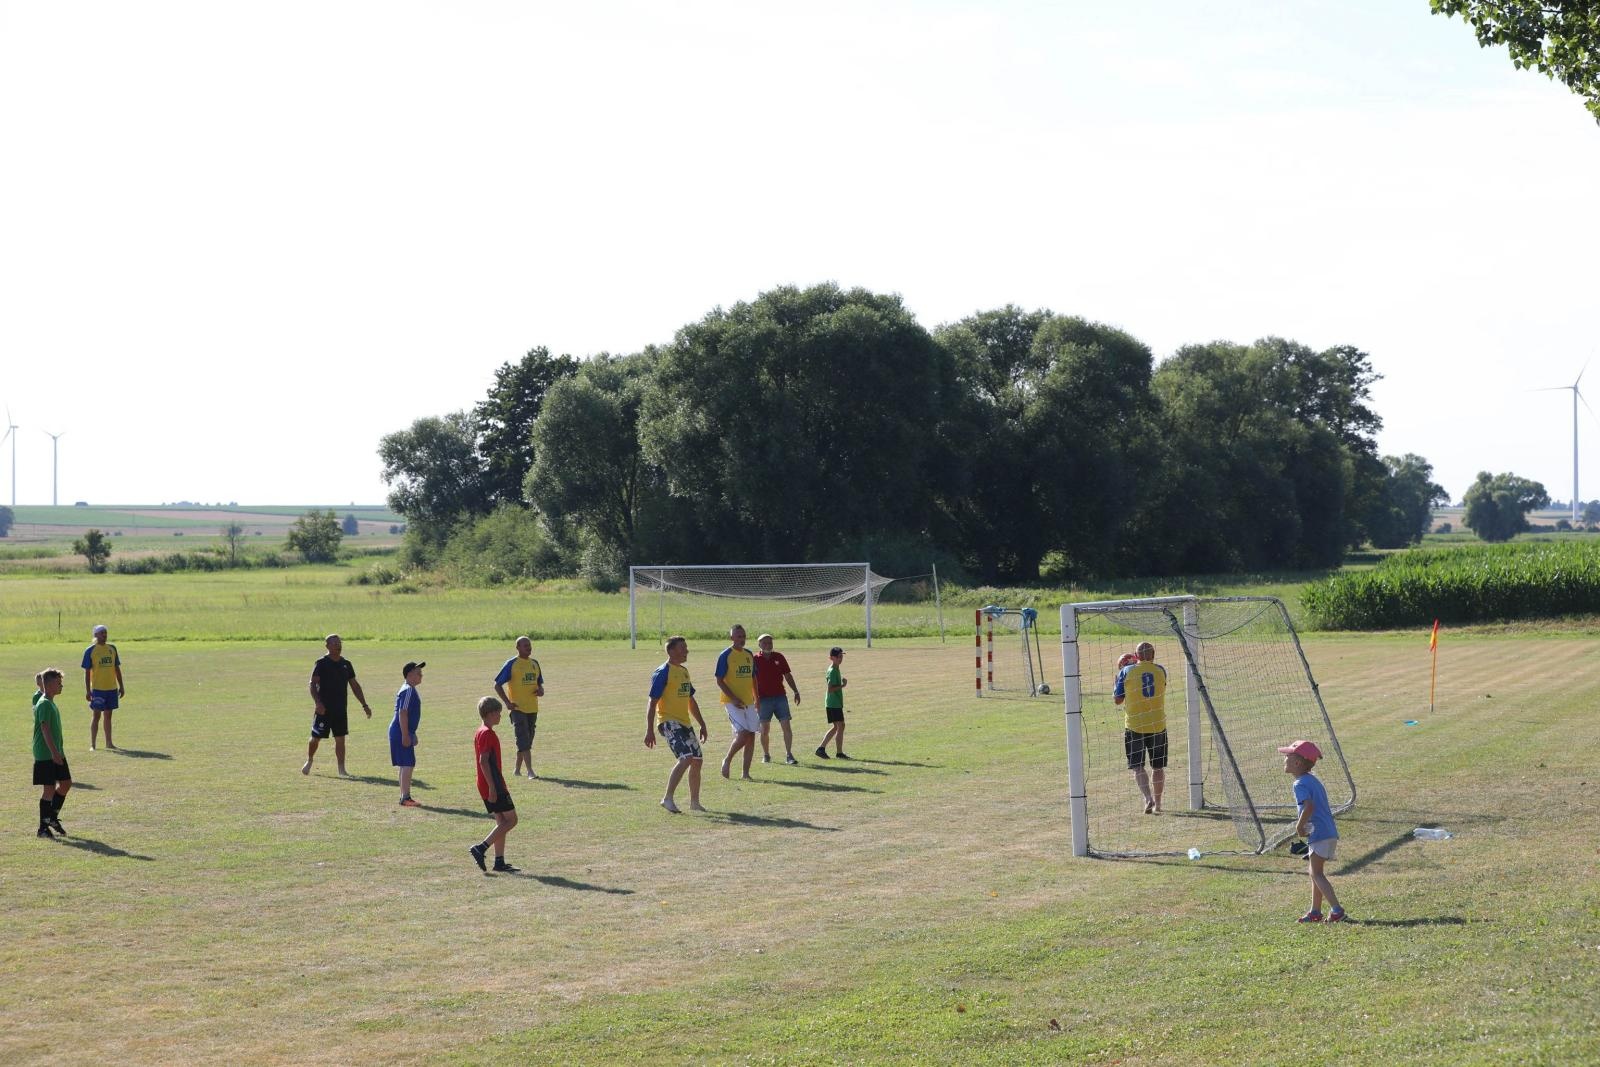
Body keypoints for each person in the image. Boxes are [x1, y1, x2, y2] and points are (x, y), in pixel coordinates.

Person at [1279, 739, 1345, 923]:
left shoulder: (1299, 784)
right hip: (1328, 832)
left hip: (1319, 834)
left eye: (1287, 756)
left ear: (1297, 763)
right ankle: (1315, 912)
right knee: (1314, 872)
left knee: (1316, 873)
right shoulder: (1312, 780)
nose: (1284, 759)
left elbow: (1309, 807)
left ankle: (1337, 910)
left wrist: (1299, 827)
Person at [645, 635, 708, 814]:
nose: (686, 651)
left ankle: (694, 802)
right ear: (671, 651)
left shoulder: (684, 671)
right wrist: (649, 730)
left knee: (697, 760)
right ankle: (667, 798)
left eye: (686, 648)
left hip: (684, 723)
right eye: (683, 648)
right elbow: (652, 702)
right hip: (668, 722)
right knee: (686, 757)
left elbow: (690, 700)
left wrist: (702, 723)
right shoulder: (662, 672)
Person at [302, 634, 373, 777]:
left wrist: (364, 705)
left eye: (339, 643)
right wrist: (318, 703)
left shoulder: (346, 664)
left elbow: (354, 686)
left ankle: (342, 769)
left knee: (340, 739)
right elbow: (313, 684)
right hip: (324, 709)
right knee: (316, 738)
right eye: (334, 643)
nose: (337, 645)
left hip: (340, 709)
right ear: (327, 646)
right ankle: (309, 760)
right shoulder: (321, 663)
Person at [1114, 641, 1167, 814]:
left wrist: (1120, 674)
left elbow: (1118, 700)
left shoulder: (1126, 671)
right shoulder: (1161, 671)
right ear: (1153, 655)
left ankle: (1147, 798)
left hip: (1135, 725)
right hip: (1157, 724)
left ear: (1136, 656)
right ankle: (1158, 804)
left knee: (1138, 766)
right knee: (1157, 767)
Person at [470, 696, 520, 873]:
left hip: (488, 783)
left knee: (501, 822)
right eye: (498, 713)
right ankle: (481, 848)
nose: (500, 716)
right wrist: (492, 786)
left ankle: (499, 862)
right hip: (493, 784)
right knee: (512, 819)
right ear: (490, 714)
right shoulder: (486, 733)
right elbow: (484, 761)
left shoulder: (481, 731)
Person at [493, 636, 545, 780]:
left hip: (532, 708)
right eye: (525, 645)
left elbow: (540, 684)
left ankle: (517, 770)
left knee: (527, 741)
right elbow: (497, 684)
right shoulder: (511, 664)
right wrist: (507, 703)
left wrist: (540, 691)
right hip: (517, 709)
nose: (528, 647)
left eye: (529, 645)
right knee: (523, 739)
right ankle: (530, 772)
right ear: (518, 648)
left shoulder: (534, 663)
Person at [714, 624, 759, 780]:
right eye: (738, 636)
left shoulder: (749, 654)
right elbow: (719, 681)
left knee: (752, 735)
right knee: (743, 734)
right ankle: (727, 760)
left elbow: (754, 679)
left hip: (749, 701)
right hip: (732, 702)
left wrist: (757, 699)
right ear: (732, 637)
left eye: (743, 636)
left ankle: (745, 773)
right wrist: (733, 698)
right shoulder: (725, 655)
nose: (742, 639)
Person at [33, 668, 72, 838]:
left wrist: (58, 752)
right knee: (48, 790)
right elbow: (45, 729)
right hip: (46, 754)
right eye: (58, 683)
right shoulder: (44, 704)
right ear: (48, 685)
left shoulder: (50, 702)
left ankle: (52, 818)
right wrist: (54, 753)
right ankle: (43, 828)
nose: (61, 685)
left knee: (66, 783)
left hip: (56, 752)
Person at [754, 633, 801, 765]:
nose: (768, 645)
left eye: (770, 642)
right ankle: (766, 754)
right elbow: (749, 680)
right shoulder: (754, 659)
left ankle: (789, 755)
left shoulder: (779, 657)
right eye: (765, 643)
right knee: (764, 730)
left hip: (780, 697)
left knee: (786, 726)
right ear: (759, 645)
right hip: (762, 699)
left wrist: (796, 691)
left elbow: (788, 675)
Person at [81, 623, 125, 750]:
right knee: (96, 716)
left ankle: (109, 743)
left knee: (108, 716)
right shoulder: (90, 651)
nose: (104, 635)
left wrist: (121, 686)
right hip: (98, 689)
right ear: (96, 635)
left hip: (111, 688)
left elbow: (117, 668)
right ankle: (93, 745)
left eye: (105, 632)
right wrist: (88, 691)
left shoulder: (112, 649)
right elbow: (87, 672)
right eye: (102, 633)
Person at [390, 661, 424, 807]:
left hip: (402, 730)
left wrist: (412, 733)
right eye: (418, 673)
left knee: (405, 764)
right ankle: (405, 797)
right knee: (408, 764)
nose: (421, 675)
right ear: (409, 675)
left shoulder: (409, 689)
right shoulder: (408, 690)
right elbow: (402, 713)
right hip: (400, 731)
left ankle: (404, 796)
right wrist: (405, 735)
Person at [815, 646, 849, 759]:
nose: (841, 658)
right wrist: (842, 685)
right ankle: (838, 753)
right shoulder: (833, 670)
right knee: (840, 726)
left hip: (833, 703)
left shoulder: (835, 668)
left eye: (841, 656)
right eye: (838, 657)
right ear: (831, 658)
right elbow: (830, 689)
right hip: (833, 703)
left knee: (837, 727)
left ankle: (821, 749)